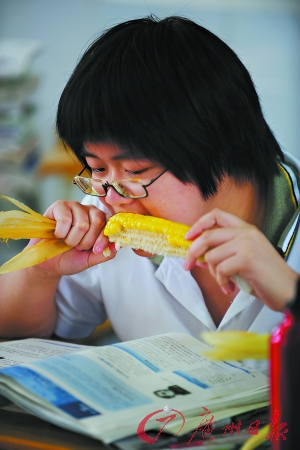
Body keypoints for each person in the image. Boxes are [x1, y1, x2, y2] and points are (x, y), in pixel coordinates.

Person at [0, 17, 299, 367]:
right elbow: (14, 335)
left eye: (136, 171)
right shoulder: (104, 210)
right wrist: (40, 272)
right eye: (97, 168)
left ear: (219, 148)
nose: (112, 197)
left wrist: (293, 296)